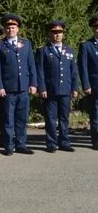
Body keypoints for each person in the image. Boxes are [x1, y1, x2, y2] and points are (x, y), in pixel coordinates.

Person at [0, 13, 37, 155]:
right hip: (8, 89)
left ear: (18, 29)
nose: (11, 29)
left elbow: (31, 65)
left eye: (13, 27)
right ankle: (9, 145)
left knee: (22, 118)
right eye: (8, 27)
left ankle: (21, 144)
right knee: (8, 118)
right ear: (5, 29)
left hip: (23, 87)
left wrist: (33, 83)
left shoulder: (26, 43)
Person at [35, 21, 78, 152]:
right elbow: (40, 71)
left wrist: (74, 88)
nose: (57, 35)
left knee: (64, 118)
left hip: (65, 89)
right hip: (50, 90)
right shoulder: (43, 50)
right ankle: (51, 143)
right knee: (50, 118)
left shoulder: (69, 50)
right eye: (54, 32)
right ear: (49, 34)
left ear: (63, 34)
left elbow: (73, 71)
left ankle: (64, 142)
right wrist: (41, 88)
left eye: (59, 32)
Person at [78, 16, 98, 151]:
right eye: (96, 28)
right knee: (96, 114)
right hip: (95, 85)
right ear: (93, 29)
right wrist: (86, 85)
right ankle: (96, 141)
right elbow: (83, 67)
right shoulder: (87, 45)